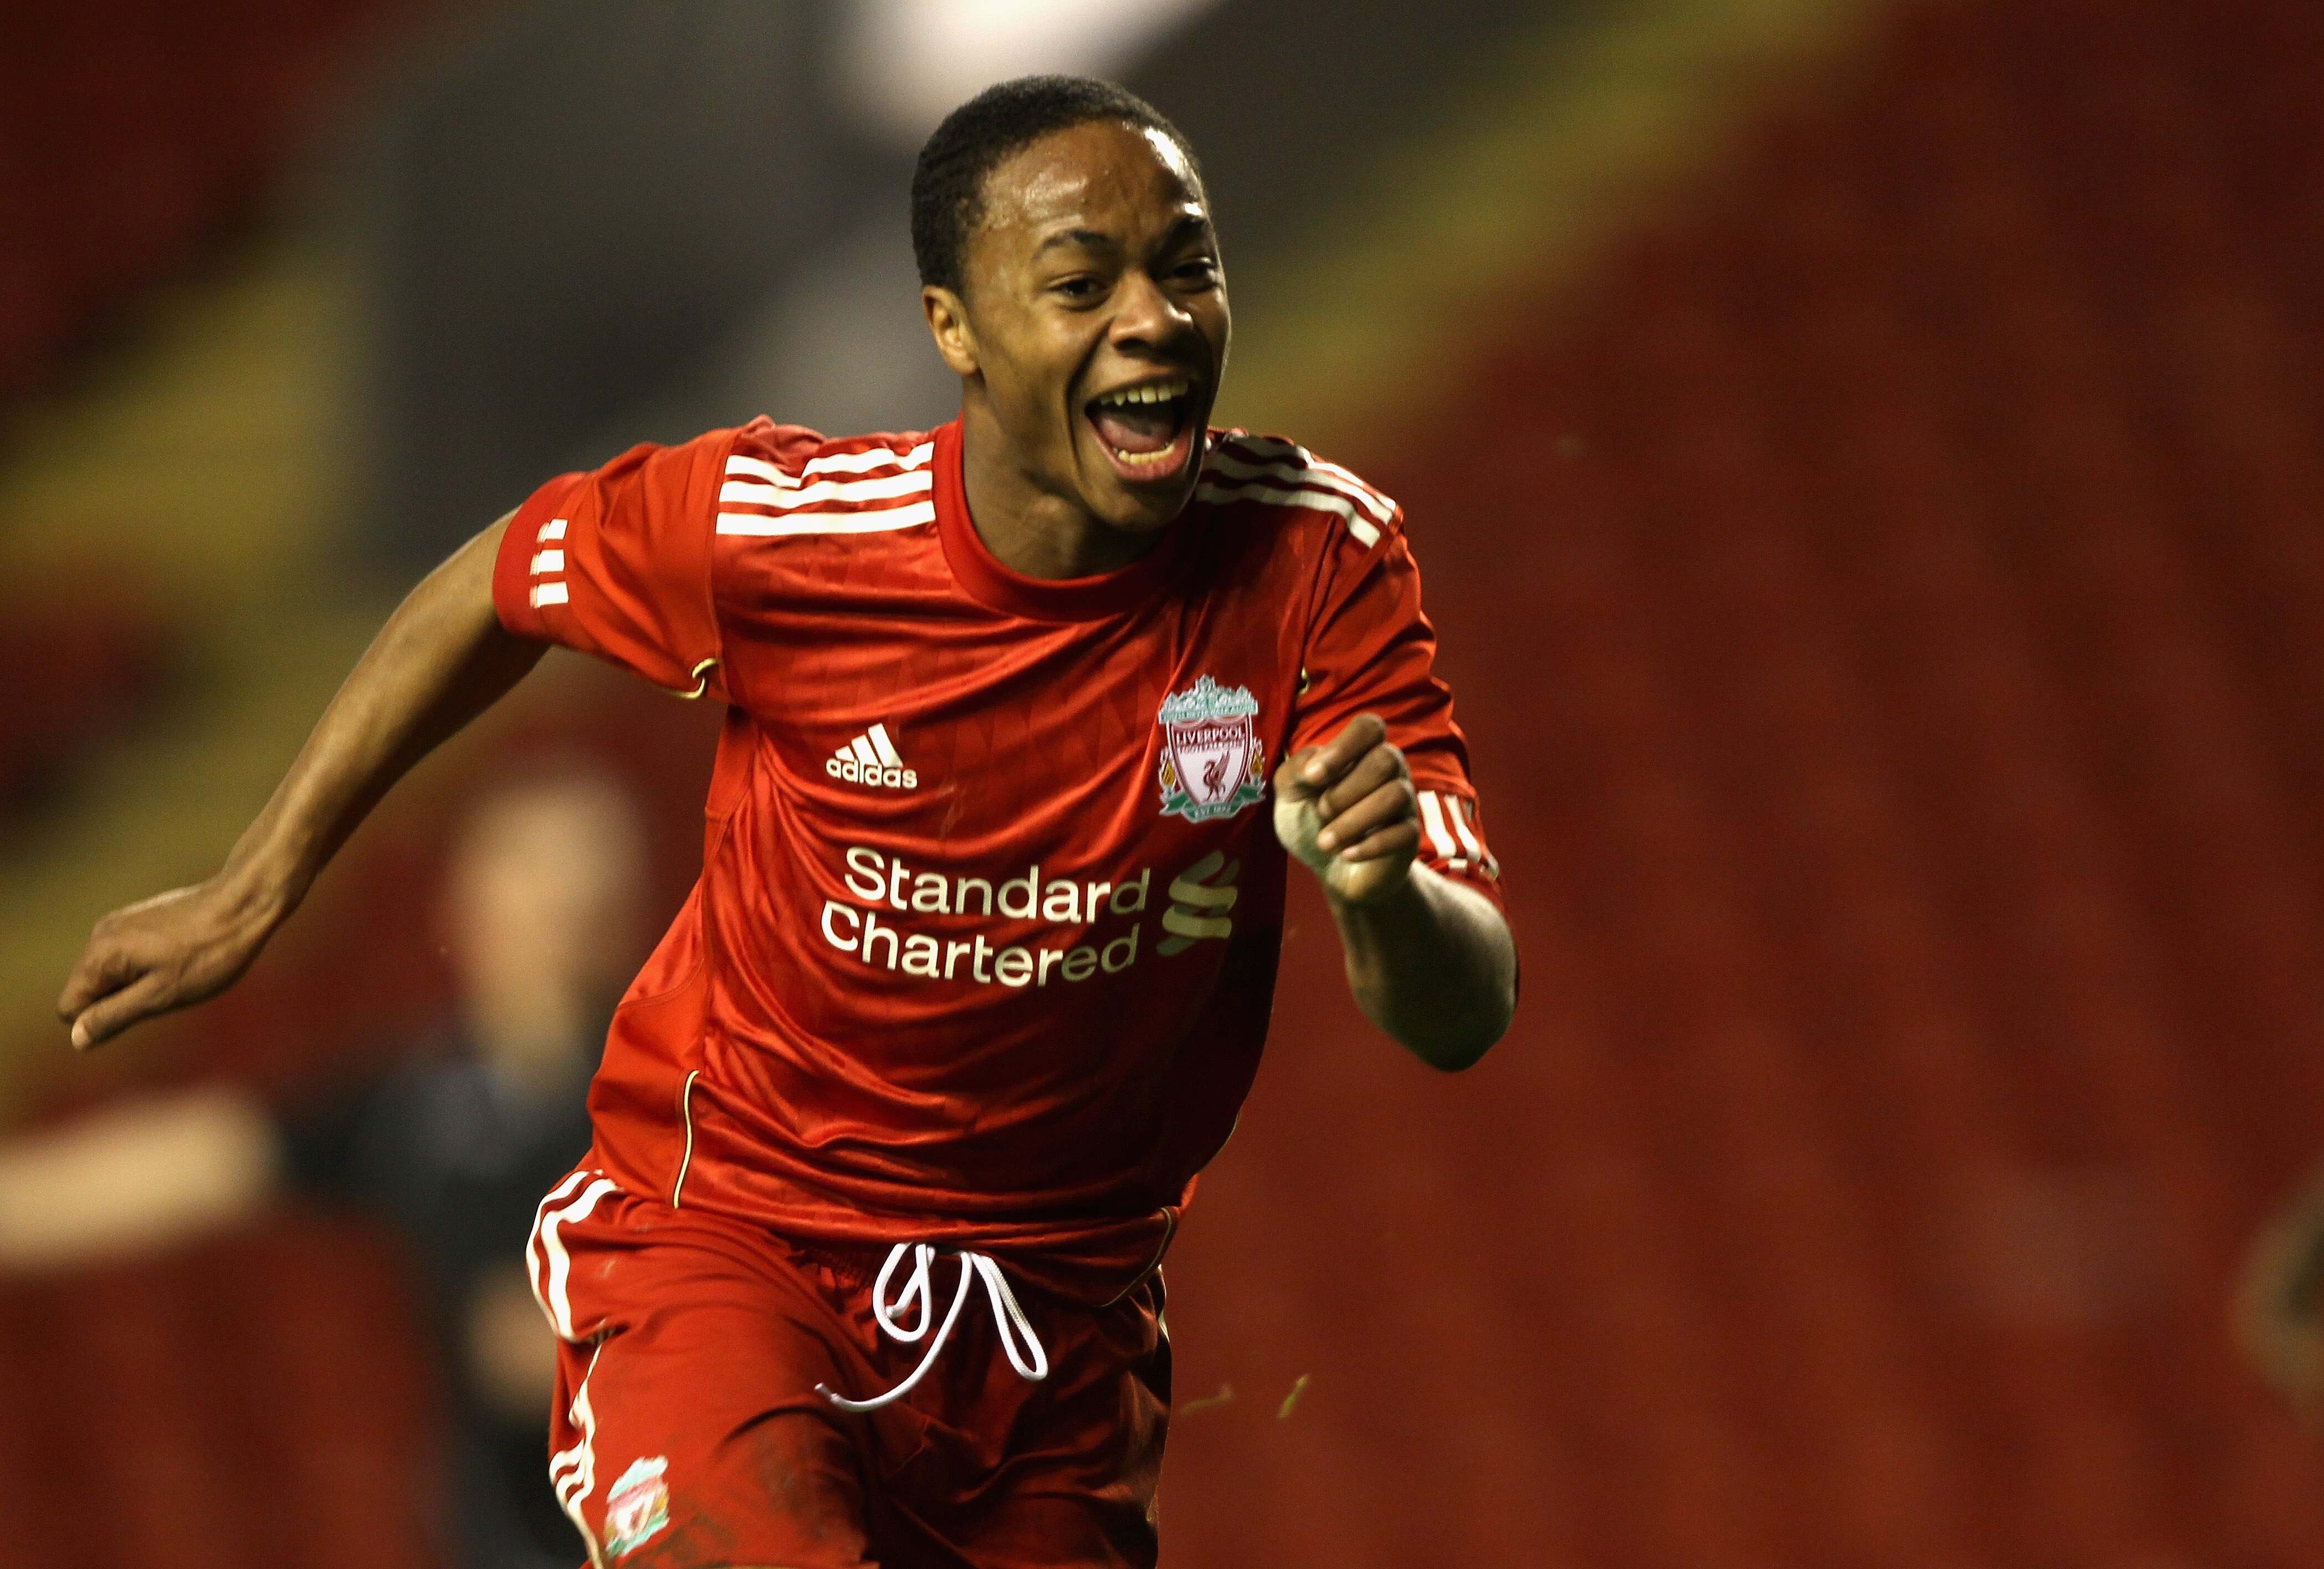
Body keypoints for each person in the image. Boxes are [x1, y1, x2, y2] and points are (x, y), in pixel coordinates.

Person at [57, 75, 1518, 1568]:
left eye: (1187, 265)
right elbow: (504, 576)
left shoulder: (1317, 564)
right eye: (1082, 281)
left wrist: (1383, 895)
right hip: (737, 1251)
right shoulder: (791, 536)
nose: (1153, 317)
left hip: (1051, 1350)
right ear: (953, 325)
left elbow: (1461, 1010)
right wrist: (255, 884)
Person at [8, 770, 644, 1566]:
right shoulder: (411, 1103)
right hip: (507, 1535)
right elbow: (189, 1160)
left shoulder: (680, 1098)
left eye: (594, 867)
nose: (568, 895)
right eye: (537, 864)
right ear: (464, 900)